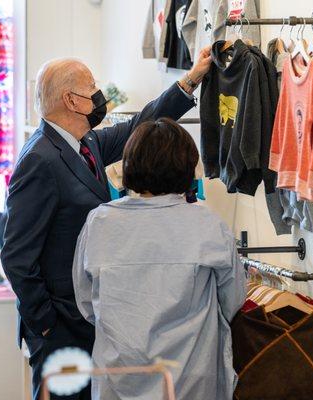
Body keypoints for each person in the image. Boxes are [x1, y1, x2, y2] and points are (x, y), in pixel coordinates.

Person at [1, 49, 213, 400]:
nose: (99, 95)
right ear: (72, 100)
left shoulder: (87, 144)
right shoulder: (39, 159)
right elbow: (16, 256)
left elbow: (140, 124)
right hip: (60, 328)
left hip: (87, 320)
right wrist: (48, 324)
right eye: (92, 87)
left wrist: (190, 79)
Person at [73, 118, 247, 399]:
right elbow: (233, 301)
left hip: (118, 378)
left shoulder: (100, 222)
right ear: (187, 167)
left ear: (129, 163)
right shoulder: (206, 225)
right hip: (191, 378)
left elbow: (86, 303)